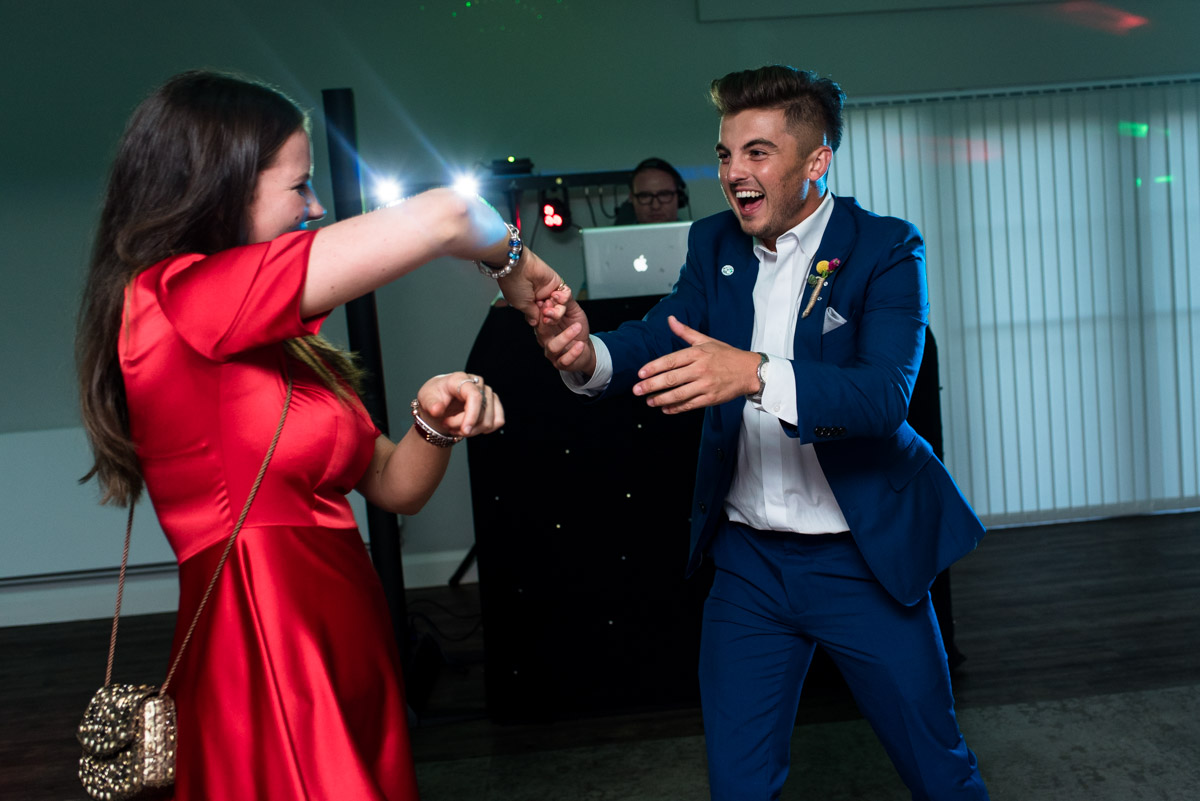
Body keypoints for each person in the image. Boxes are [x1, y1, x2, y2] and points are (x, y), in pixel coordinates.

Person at [76, 70, 566, 801]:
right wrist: (517, 267)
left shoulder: (283, 341)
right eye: (298, 186)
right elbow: (448, 214)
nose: (317, 205)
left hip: (343, 628)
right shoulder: (178, 299)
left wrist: (433, 415)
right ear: (220, 187)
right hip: (266, 635)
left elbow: (395, 487)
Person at [532, 65, 989, 800]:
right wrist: (589, 355)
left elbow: (882, 396)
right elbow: (662, 336)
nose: (733, 173)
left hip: (861, 561)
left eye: (757, 152)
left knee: (939, 769)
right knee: (738, 786)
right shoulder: (714, 241)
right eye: (724, 154)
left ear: (815, 162)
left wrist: (753, 374)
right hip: (750, 567)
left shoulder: (885, 248)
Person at [614, 157, 689, 225]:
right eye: (645, 196)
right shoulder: (616, 239)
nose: (655, 206)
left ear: (679, 197)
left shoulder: (698, 238)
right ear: (632, 198)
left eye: (664, 194)